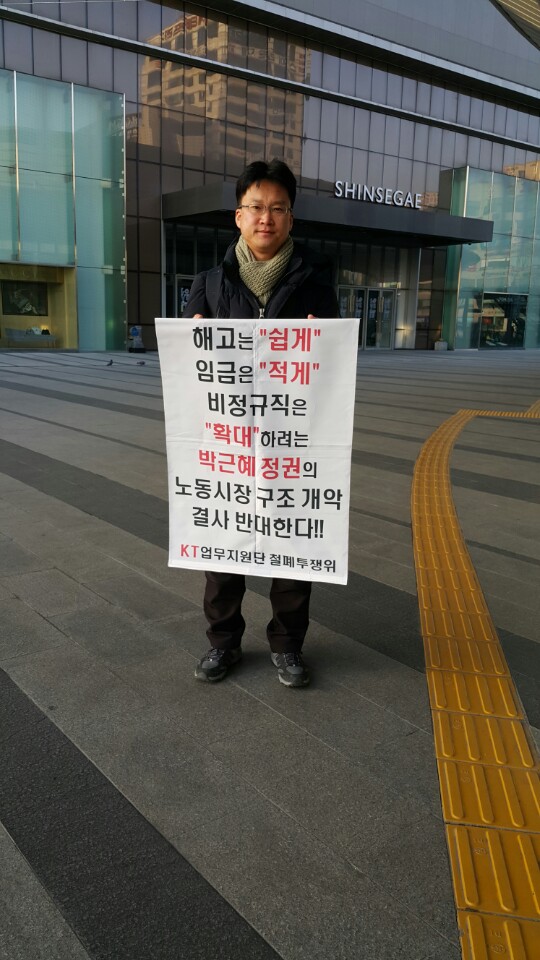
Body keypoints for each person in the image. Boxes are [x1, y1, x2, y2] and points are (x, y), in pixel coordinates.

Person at [183, 159, 339, 688]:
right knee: (223, 544)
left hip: (291, 440)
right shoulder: (208, 284)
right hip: (228, 441)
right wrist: (192, 340)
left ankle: (288, 646)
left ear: (291, 218)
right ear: (238, 216)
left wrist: (324, 346)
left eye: (277, 208)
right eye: (255, 207)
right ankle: (222, 642)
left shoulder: (317, 284)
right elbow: (189, 371)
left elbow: (335, 370)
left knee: (291, 544)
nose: (265, 218)